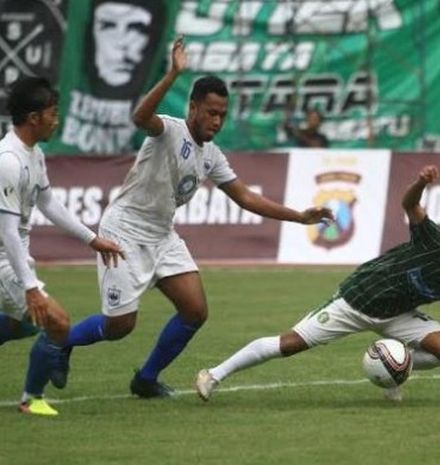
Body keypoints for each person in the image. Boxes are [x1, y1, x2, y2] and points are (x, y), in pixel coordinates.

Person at [57, 37, 333, 398]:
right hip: (124, 229)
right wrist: (173, 74)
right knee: (119, 326)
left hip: (161, 234)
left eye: (222, 115)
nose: (216, 121)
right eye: (211, 112)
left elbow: (245, 196)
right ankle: (61, 342)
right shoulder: (169, 129)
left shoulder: (211, 155)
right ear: (193, 108)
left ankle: (145, 379)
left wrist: (299, 216)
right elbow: (140, 117)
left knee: (195, 310)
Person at [195, 165, 440, 403]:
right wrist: (420, 183)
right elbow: (410, 205)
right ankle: (214, 375)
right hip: (356, 301)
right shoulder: (435, 244)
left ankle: (392, 368)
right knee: (288, 344)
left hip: (396, 315)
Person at [0, 77, 122, 416]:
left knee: (22, 324)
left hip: (15, 255)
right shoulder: (8, 161)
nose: (58, 120)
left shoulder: (33, 154)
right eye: (53, 113)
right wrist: (30, 288)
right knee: (59, 323)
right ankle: (31, 399)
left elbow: (50, 205)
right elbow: (7, 232)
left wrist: (92, 239)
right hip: (4, 259)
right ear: (34, 117)